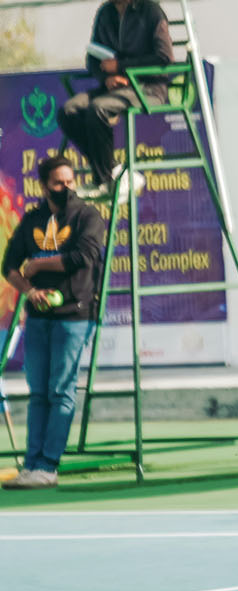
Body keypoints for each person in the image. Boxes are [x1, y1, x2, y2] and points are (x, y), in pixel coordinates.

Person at [2, 157, 107, 490]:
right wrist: (30, 292)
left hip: (74, 316)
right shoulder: (33, 218)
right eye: (59, 183)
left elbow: (85, 257)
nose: (67, 188)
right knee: (39, 394)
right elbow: (9, 265)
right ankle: (31, 465)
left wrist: (39, 264)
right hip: (38, 318)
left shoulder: (87, 216)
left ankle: (48, 466)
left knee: (61, 391)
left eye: (71, 181)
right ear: (44, 185)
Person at [59, 0, 173, 199]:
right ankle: (111, 173)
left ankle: (107, 177)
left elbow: (164, 58)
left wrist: (121, 67)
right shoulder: (105, 13)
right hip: (113, 87)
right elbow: (93, 58)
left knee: (98, 108)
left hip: (147, 88)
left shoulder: (151, 11)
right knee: (68, 111)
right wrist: (107, 78)